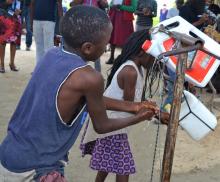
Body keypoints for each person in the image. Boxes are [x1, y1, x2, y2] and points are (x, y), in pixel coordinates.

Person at [0, 6, 158, 181]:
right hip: (37, 167)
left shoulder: (51, 54)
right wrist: (140, 117)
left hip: (10, 153)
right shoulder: (91, 78)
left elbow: (93, 99)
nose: (106, 48)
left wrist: (135, 106)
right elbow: (102, 126)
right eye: (105, 43)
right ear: (88, 48)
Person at [80, 30, 169, 182]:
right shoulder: (130, 72)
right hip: (111, 126)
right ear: (142, 52)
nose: (156, 61)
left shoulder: (137, 69)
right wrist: (158, 114)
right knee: (123, 168)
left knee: (108, 165)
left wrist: (156, 111)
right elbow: (132, 107)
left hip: (114, 125)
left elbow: (139, 101)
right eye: (154, 56)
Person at [72, 0, 109, 72]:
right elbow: (73, 4)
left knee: (96, 47)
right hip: (83, 23)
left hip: (96, 24)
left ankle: (98, 72)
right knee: (82, 48)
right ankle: (81, 71)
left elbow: (106, 5)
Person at [30, 0, 63, 64]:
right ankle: (39, 68)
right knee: (39, 46)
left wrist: (61, 21)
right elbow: (32, 4)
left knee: (48, 47)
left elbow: (59, 4)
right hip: (37, 20)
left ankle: (47, 69)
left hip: (49, 21)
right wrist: (31, 22)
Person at [105, 0, 136, 64]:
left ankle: (123, 59)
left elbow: (133, 8)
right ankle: (111, 58)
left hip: (125, 20)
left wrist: (121, 7)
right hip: (115, 18)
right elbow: (110, 4)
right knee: (113, 38)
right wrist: (112, 5)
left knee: (125, 40)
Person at [0, 0, 21, 73]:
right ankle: (2, 65)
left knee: (14, 41)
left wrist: (20, 11)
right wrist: (7, 2)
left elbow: (23, 4)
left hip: (16, 18)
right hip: (3, 17)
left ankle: (12, 63)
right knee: (2, 42)